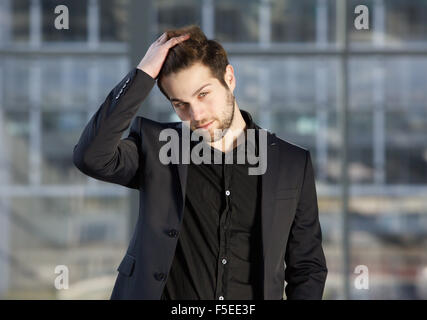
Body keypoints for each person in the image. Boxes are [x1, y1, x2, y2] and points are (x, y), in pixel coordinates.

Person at [73, 24, 327, 300]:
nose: (196, 114)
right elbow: (91, 156)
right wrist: (143, 74)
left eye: (203, 94)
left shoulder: (291, 163)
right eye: (180, 104)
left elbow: (307, 267)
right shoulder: (157, 147)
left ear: (229, 78)